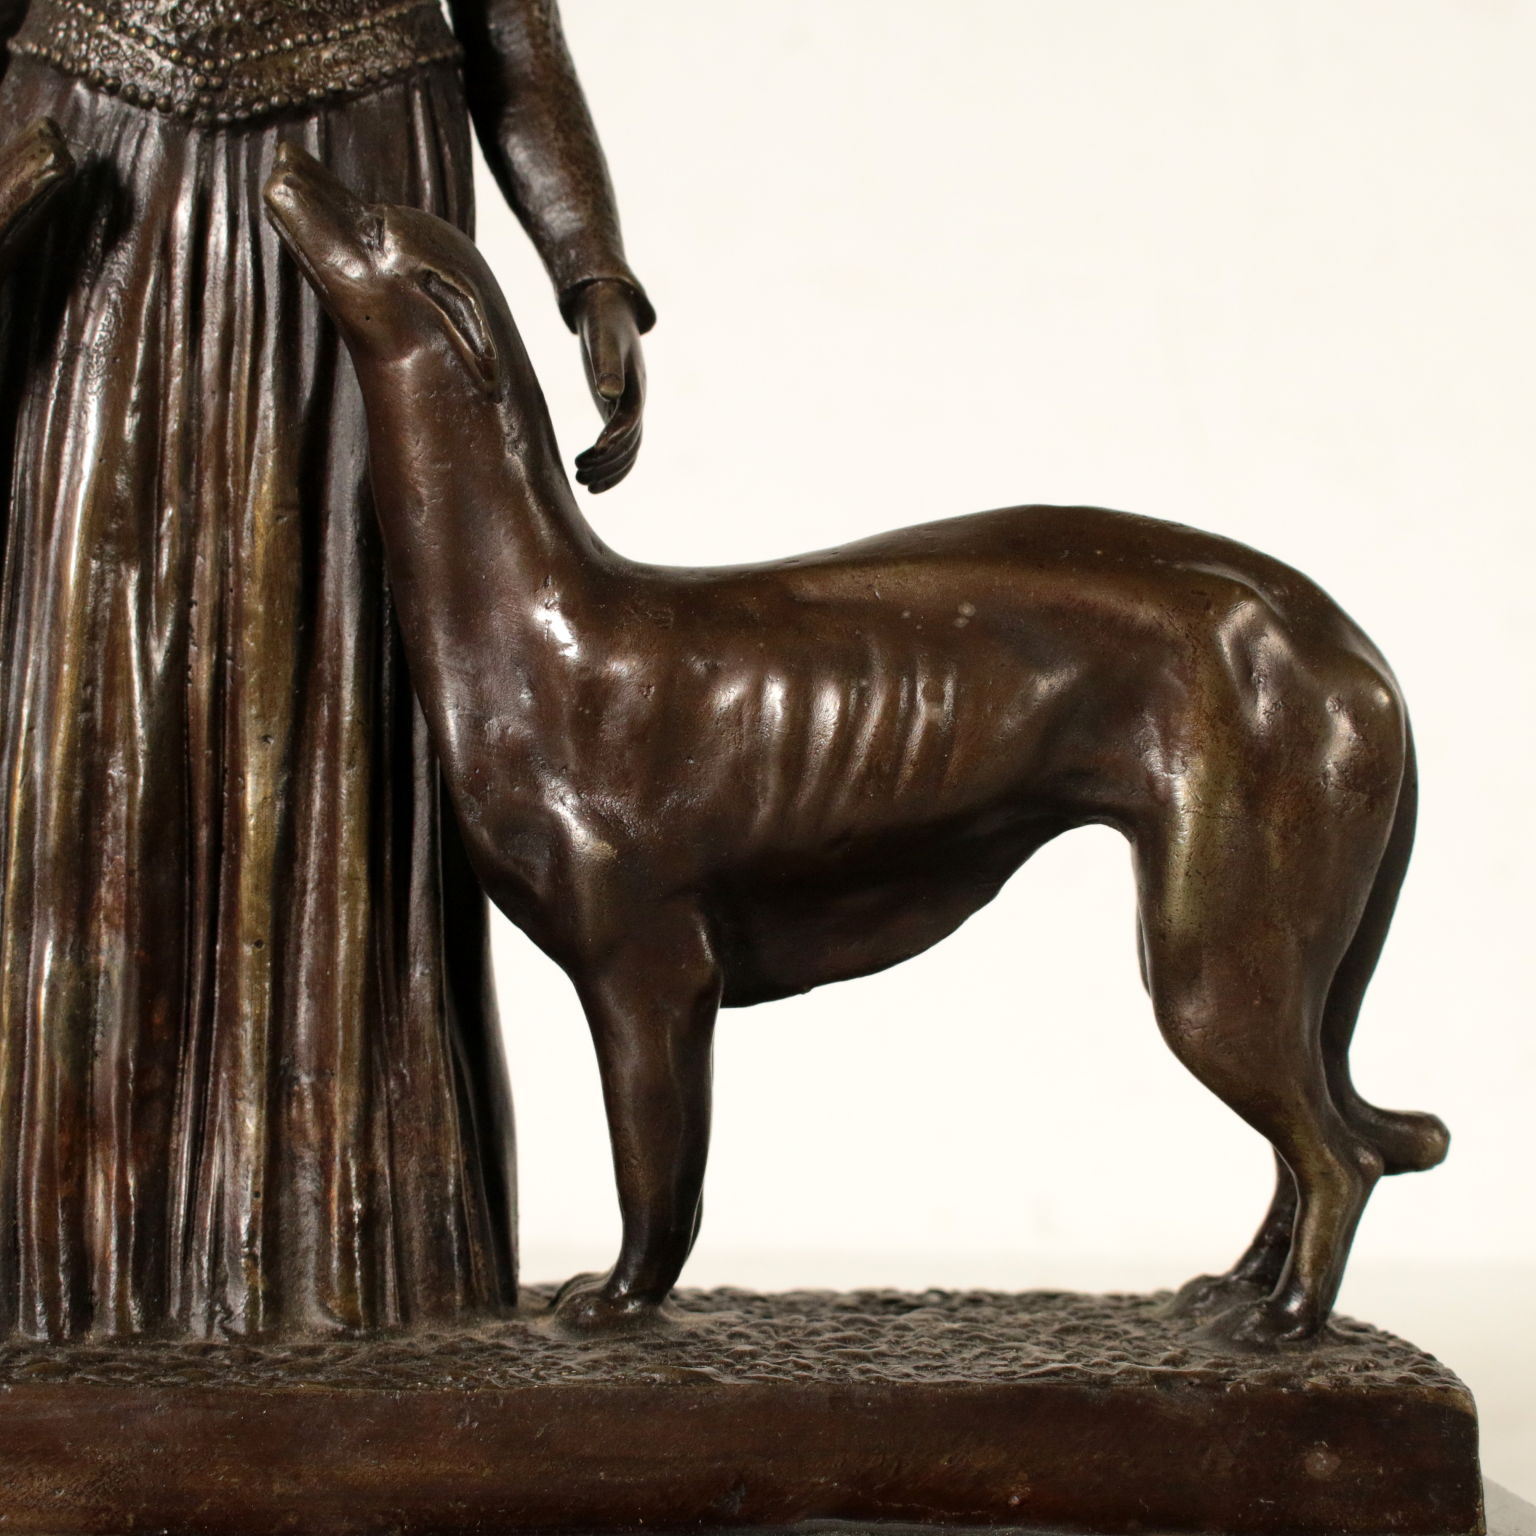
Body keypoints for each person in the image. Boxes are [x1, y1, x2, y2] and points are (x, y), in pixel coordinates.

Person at [0, 0, 652, 1340]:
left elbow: (514, 37)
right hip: (99, 179)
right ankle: (68, 1259)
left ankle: (342, 1260)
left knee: (346, 681)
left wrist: (589, 265)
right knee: (97, 691)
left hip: (356, 169)